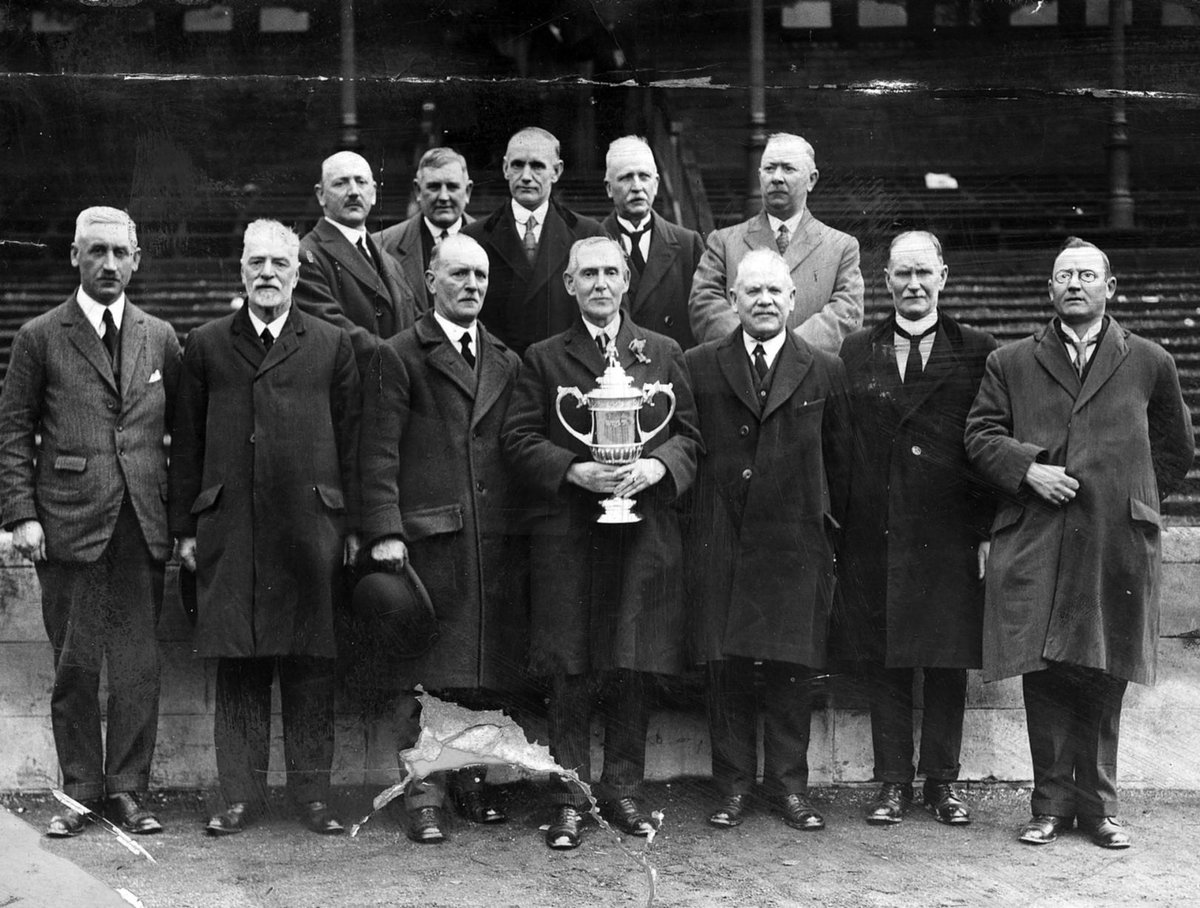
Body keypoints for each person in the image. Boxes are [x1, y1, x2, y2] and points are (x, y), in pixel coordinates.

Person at [965, 237, 1193, 849]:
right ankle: (1048, 804)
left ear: (1110, 288)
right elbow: (980, 434)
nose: (1074, 284)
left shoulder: (1149, 360)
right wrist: (1028, 469)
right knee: (1044, 673)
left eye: (1087, 275)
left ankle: (1099, 809)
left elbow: (1177, 450)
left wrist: (1132, 499)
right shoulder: (1010, 361)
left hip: (1114, 545)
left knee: (1102, 671)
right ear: (1049, 290)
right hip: (1038, 538)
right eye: (1063, 276)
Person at [502, 236, 701, 850]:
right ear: (568, 284)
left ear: (627, 282)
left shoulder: (663, 353)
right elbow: (517, 439)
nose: (600, 283)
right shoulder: (543, 357)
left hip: (641, 533)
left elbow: (690, 436)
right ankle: (569, 797)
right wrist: (572, 469)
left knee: (631, 660)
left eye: (611, 272)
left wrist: (659, 467)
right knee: (571, 666)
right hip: (569, 534)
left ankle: (623, 790)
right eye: (587, 273)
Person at [169, 219, 361, 837]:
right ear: (241, 270)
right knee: (241, 665)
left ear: (298, 273)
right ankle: (240, 798)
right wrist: (186, 530)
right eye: (257, 263)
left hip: (310, 528)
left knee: (310, 664)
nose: (268, 274)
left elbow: (355, 444)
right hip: (233, 529)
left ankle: (313, 798)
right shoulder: (204, 344)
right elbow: (187, 444)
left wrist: (353, 525)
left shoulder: (331, 344)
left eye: (281, 263)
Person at [0, 206, 180, 838]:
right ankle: (80, 791)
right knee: (74, 667)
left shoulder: (160, 336)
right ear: (73, 257)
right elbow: (13, 431)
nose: (109, 264)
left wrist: (176, 520)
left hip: (140, 525)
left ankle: (128, 790)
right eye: (95, 251)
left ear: (137, 260)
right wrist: (21, 514)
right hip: (68, 523)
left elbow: (179, 436)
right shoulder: (41, 335)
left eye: (119, 253)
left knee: (138, 667)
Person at [358, 234, 527, 844]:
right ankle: (423, 796)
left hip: (490, 543)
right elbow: (376, 452)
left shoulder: (505, 359)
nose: (471, 286)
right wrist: (384, 528)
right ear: (431, 281)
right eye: (458, 275)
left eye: (480, 276)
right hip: (427, 544)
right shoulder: (399, 353)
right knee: (423, 674)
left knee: (476, 673)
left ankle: (471, 784)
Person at [684, 248, 851, 832]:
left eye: (775, 292)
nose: (764, 301)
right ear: (732, 300)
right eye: (751, 291)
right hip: (722, 536)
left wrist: (827, 532)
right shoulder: (700, 364)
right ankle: (730, 788)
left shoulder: (824, 367)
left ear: (794, 300)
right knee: (725, 667)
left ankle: (788, 788)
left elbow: (841, 459)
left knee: (791, 667)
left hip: (795, 540)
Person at [837, 231, 998, 827]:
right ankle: (893, 783)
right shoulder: (857, 348)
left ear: (944, 278)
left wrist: (984, 531)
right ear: (885, 281)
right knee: (887, 659)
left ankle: (942, 783)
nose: (913, 285)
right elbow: (844, 442)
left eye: (923, 274)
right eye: (902, 274)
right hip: (878, 529)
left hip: (948, 529)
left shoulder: (978, 348)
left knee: (947, 660)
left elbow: (989, 443)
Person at [688, 132, 863, 353]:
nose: (777, 177)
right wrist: (749, 350)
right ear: (759, 175)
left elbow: (847, 313)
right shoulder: (724, 242)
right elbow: (704, 304)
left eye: (788, 169)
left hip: (811, 374)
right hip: (741, 374)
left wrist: (785, 351)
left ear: (812, 180)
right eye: (770, 169)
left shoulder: (841, 247)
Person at [464, 127, 605, 357]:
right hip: (499, 373)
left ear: (556, 171)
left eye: (537, 166)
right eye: (518, 165)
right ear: (505, 168)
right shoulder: (473, 238)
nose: (526, 176)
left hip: (565, 372)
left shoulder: (588, 235)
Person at [296, 150, 421, 375]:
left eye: (361, 182)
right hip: (350, 396)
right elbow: (333, 328)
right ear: (320, 195)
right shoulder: (306, 255)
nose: (353, 192)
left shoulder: (389, 260)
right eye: (341, 183)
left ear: (373, 193)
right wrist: (404, 357)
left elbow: (415, 319)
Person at [600, 136, 704, 350]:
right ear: (609, 188)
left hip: (669, 369)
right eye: (626, 177)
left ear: (656, 184)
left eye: (644, 176)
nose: (637, 186)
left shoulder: (687, 244)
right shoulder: (591, 244)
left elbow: (700, 319)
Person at [373, 146, 475, 311]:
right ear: (418, 191)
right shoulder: (382, 246)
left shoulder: (490, 241)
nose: (443, 197)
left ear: (468, 191)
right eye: (434, 187)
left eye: (452, 187)